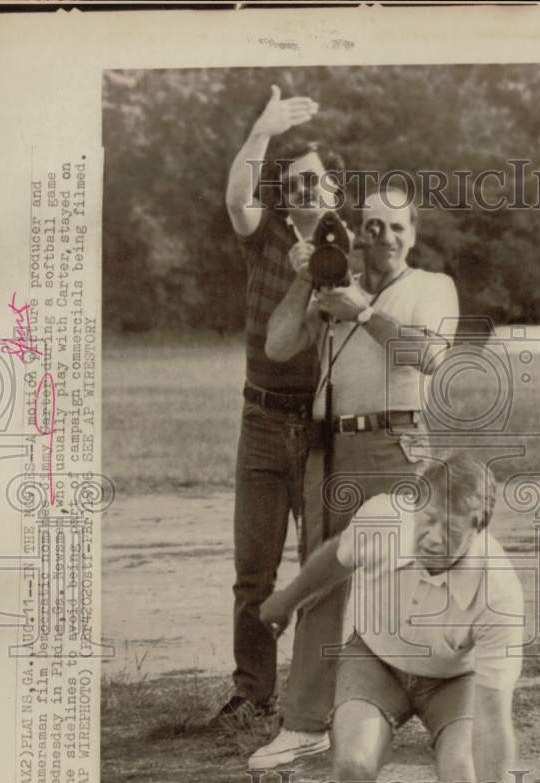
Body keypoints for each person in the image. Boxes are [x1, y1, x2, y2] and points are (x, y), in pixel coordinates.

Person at [260, 451, 527, 783]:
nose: (430, 535)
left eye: (448, 528)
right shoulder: (386, 519)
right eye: (426, 519)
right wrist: (288, 599)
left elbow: (494, 718)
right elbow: (336, 558)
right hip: (376, 657)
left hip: (454, 678)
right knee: (352, 765)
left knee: (461, 776)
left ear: (480, 524)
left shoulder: (499, 590)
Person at [247, 184, 459, 766]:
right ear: (357, 234)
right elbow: (278, 343)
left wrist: (362, 314)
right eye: (373, 226)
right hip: (331, 449)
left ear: (413, 232)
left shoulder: (430, 287)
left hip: (397, 442)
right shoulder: (333, 285)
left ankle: (443, 703)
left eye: (396, 226)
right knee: (323, 578)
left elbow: (430, 356)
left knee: (411, 576)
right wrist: (307, 278)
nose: (384, 237)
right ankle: (306, 721)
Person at [217, 84, 345, 720]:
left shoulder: (350, 252)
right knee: (254, 572)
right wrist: (262, 129)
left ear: (333, 193)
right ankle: (252, 692)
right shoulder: (265, 236)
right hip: (262, 417)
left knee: (318, 567)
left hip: (324, 427)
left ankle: (315, 696)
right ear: (283, 195)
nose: (305, 192)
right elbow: (236, 194)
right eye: (293, 184)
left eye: (315, 182)